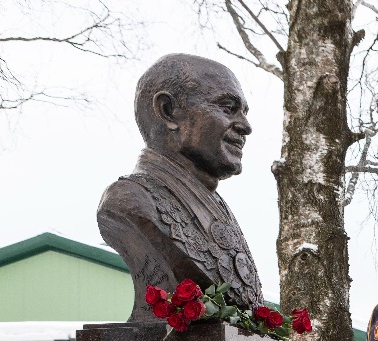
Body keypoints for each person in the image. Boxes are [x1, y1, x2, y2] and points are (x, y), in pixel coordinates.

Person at [98, 54, 263, 319]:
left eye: (243, 111)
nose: (245, 126)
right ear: (168, 111)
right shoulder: (130, 201)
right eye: (228, 108)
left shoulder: (219, 208)